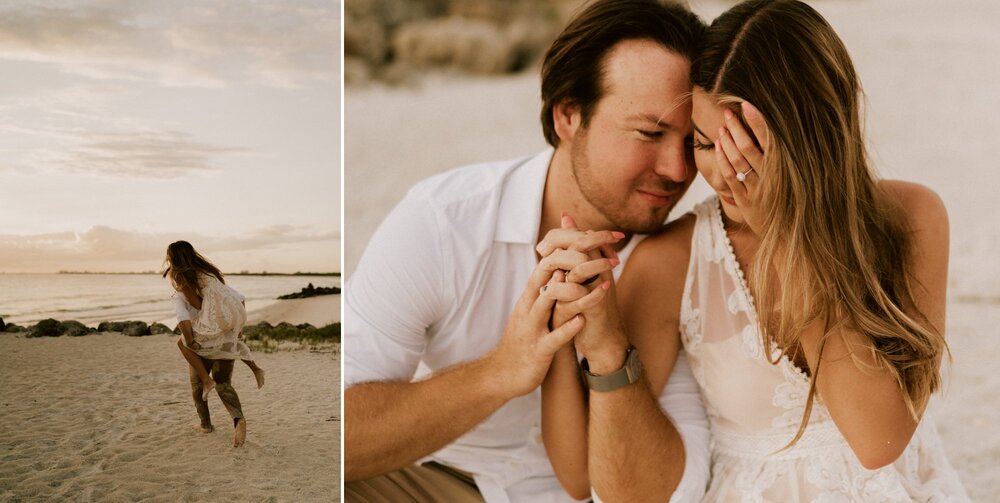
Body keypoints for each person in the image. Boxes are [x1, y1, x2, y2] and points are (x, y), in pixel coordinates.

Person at [542, 0, 969, 500]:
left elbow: (878, 441)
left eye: (744, 147)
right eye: (704, 144)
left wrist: (786, 238)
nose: (724, 173)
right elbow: (599, 482)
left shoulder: (910, 217)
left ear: (810, 135)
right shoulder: (671, 263)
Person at [344, 1, 711, 501]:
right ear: (568, 115)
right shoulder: (445, 221)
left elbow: (658, 488)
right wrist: (501, 371)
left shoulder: (688, 254)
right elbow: (341, 432)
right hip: (430, 482)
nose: (676, 169)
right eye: (650, 133)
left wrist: (610, 352)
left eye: (693, 141)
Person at [163, 240, 264, 448]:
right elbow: (240, 299)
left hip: (203, 337)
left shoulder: (181, 287)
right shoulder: (210, 276)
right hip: (225, 334)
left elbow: (186, 318)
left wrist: (190, 340)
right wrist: (236, 326)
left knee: (197, 383)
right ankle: (238, 419)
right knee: (224, 383)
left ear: (172, 259)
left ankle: (206, 424)